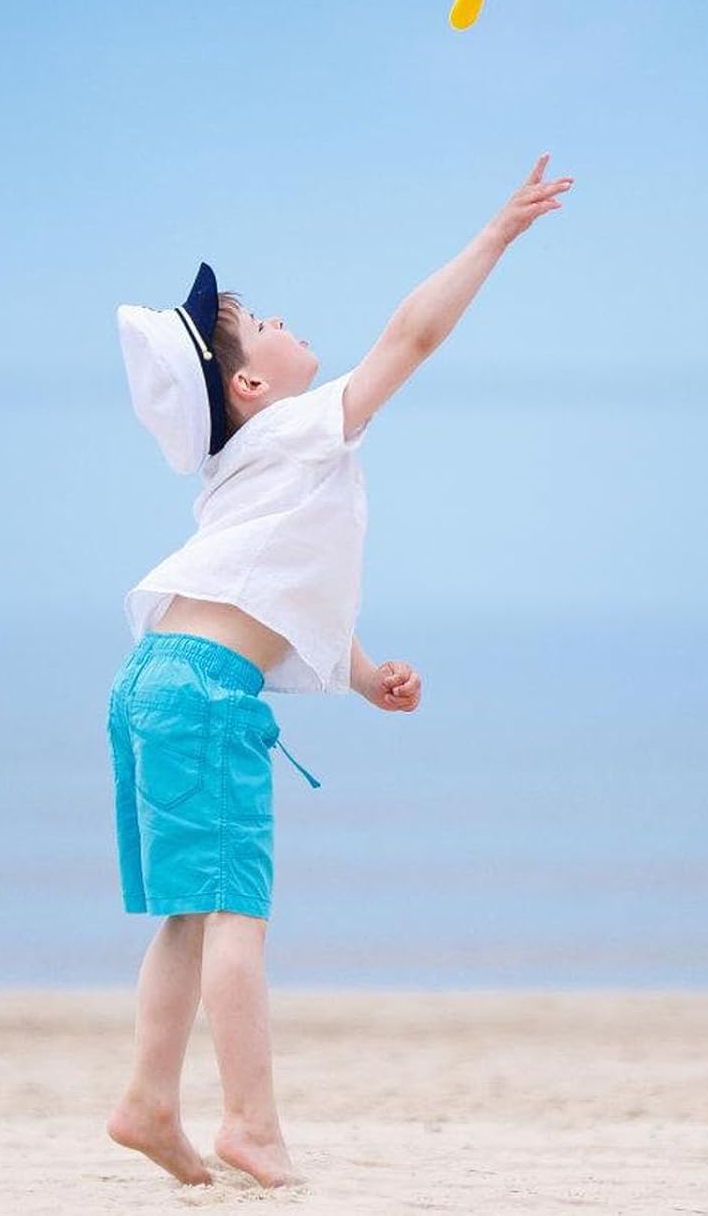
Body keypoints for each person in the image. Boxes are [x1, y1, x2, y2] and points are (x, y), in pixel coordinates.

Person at [104, 152, 576, 1188]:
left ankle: (148, 1100)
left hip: (152, 679)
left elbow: (274, 590)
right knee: (236, 912)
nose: (281, 317)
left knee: (190, 909)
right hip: (205, 690)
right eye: (259, 319)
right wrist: (496, 235)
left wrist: (362, 676)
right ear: (250, 386)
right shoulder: (301, 429)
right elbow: (412, 337)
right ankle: (250, 1123)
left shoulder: (240, 464)